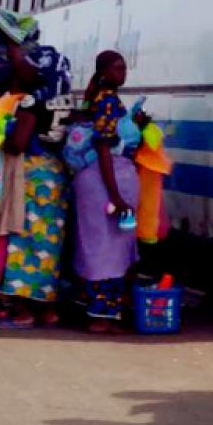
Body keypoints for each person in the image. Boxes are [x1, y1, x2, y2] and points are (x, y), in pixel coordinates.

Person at [0, 55, 69, 330]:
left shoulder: (32, 100)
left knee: (23, 240)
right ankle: (48, 309)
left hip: (31, 176)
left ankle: (22, 309)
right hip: (55, 174)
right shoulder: (66, 99)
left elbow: (19, 143)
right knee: (49, 243)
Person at [72, 51, 141, 333]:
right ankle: (100, 317)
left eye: (124, 68)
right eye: (117, 68)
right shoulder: (108, 101)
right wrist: (115, 195)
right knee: (106, 249)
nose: (123, 72)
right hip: (106, 182)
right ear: (104, 71)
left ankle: (98, 310)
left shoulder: (99, 98)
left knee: (97, 246)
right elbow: (103, 147)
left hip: (99, 181)